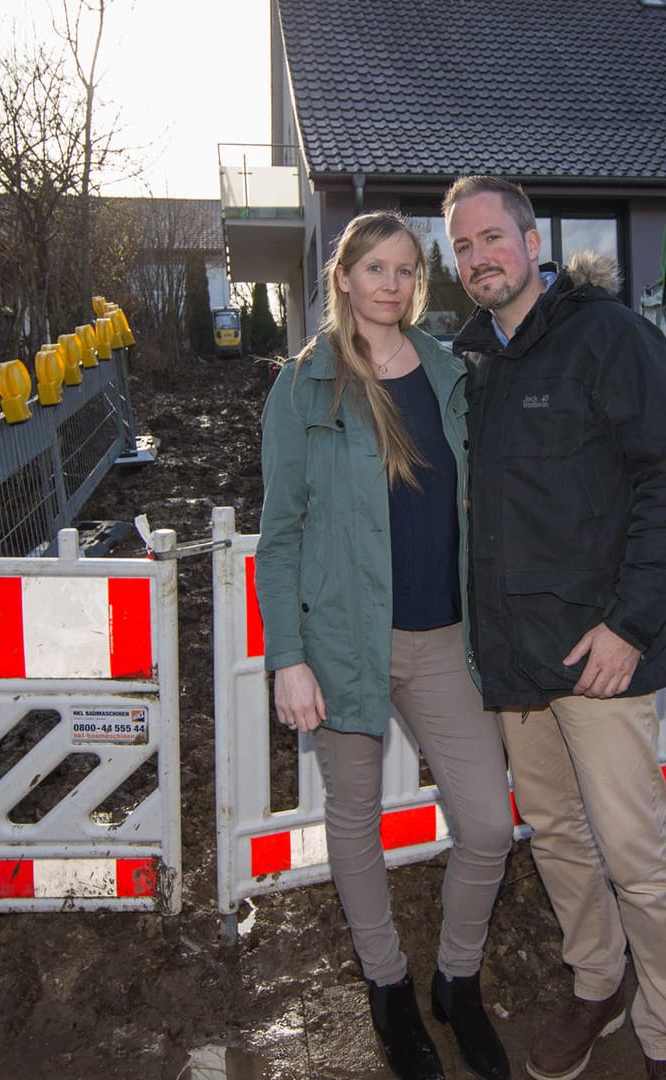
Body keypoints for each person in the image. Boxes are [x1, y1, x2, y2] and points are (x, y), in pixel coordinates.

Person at [442, 176, 666, 1080]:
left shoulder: (609, 337)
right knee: (555, 836)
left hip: (600, 657)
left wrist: (631, 626)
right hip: (516, 661)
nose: (480, 257)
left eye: (492, 237)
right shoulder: (470, 366)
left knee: (636, 852)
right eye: (463, 247)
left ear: (531, 239)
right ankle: (598, 985)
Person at [257, 211, 516, 1080]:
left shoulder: (451, 373)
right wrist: (286, 655)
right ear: (343, 277)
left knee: (487, 825)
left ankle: (457, 979)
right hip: (343, 641)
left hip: (445, 639)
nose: (392, 285)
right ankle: (388, 988)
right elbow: (280, 533)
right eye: (375, 267)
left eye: (407, 270)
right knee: (355, 822)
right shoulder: (306, 385)